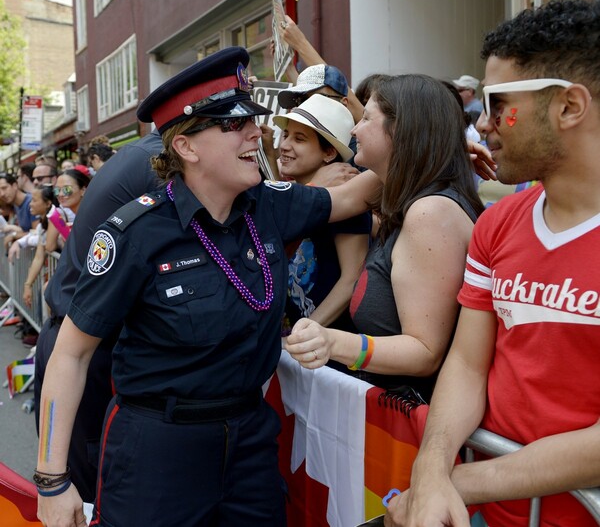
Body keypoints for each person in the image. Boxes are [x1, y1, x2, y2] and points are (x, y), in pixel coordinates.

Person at [35, 46, 381, 527]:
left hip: (249, 446)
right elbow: (70, 354)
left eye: (253, 121)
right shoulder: (135, 233)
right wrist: (52, 480)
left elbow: (354, 194)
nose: (256, 133)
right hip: (157, 453)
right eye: (234, 124)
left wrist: (431, 150)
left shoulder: (269, 206)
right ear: (187, 147)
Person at [386, 0, 600, 527]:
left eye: (497, 101)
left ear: (569, 107)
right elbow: (467, 362)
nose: (482, 125)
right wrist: (431, 470)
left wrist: (458, 482)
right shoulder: (498, 223)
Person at [285, 74, 484, 401]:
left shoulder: (429, 213)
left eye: (365, 119)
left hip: (410, 421)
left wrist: (333, 342)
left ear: (400, 131)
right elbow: (341, 200)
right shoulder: (404, 193)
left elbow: (425, 350)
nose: (353, 130)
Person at [33, 130, 163, 504]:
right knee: (89, 479)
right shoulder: (155, 167)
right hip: (84, 345)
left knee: (83, 470)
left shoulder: (138, 157)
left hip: (72, 336)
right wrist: (51, 482)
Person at [273, 94, 371, 335]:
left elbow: (352, 278)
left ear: (328, 153)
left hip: (328, 352)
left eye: (299, 138)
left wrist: (306, 331)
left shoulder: (346, 202)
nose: (285, 145)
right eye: (286, 135)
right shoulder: (287, 193)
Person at [22, 186, 61, 308]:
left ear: (48, 203)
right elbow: (38, 257)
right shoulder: (42, 225)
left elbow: (49, 247)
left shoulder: (57, 216)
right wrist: (27, 285)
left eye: (34, 200)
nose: (30, 204)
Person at [45, 168, 90, 252]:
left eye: (67, 189)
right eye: (57, 190)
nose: (61, 194)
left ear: (83, 190)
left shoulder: (91, 217)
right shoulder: (77, 219)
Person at [0, 173, 38, 247]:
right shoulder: (15, 205)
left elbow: (37, 235)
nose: (2, 194)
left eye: (4, 188)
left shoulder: (31, 202)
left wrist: (14, 235)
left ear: (14, 186)